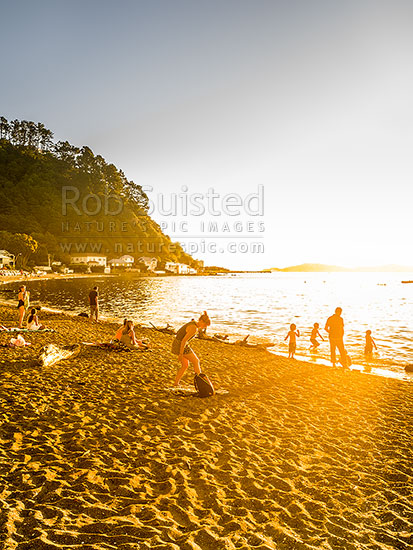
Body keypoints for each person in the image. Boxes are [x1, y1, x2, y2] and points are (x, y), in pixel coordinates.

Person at [172, 312, 211, 387]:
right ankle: (201, 382)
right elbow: (183, 341)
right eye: (205, 325)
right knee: (196, 361)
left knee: (185, 365)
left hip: (177, 344)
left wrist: (206, 315)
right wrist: (180, 354)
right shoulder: (194, 328)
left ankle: (176, 383)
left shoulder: (193, 323)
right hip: (180, 345)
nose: (204, 327)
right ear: (201, 321)